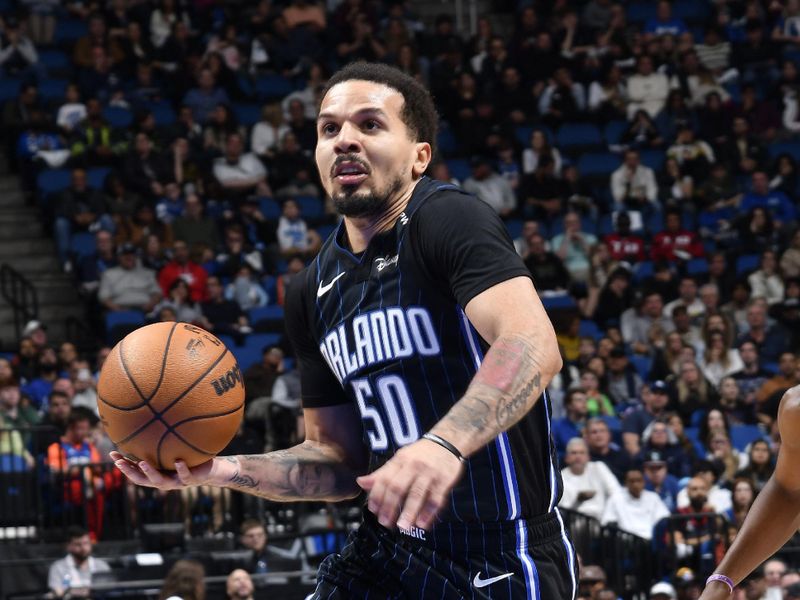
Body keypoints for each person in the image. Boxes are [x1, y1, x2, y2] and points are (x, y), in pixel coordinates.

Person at [111, 62, 577, 599]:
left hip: (498, 554)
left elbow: (533, 344)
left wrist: (443, 443)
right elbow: (337, 462)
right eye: (329, 129)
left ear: (419, 156)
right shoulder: (310, 290)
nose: (345, 141)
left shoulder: (447, 219)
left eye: (370, 125)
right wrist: (218, 468)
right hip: (387, 552)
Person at [559, 437, 621, 521]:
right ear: (567, 458)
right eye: (574, 453)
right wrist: (578, 500)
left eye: (582, 453)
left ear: (588, 457)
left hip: (602, 520)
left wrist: (606, 519)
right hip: (574, 524)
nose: (578, 456)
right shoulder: (560, 477)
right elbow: (563, 512)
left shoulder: (599, 467)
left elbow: (616, 492)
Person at [601, 468, 670, 540]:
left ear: (644, 482)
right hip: (625, 541)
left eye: (638, 480)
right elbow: (607, 522)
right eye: (631, 481)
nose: (635, 484)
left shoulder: (653, 497)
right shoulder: (615, 499)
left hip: (650, 540)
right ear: (626, 483)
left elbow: (663, 518)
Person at [47, 526, 111, 598]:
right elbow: (57, 592)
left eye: (86, 543)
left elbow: (109, 590)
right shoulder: (58, 567)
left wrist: (71, 591)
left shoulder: (101, 565)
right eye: (78, 544)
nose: (83, 548)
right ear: (68, 546)